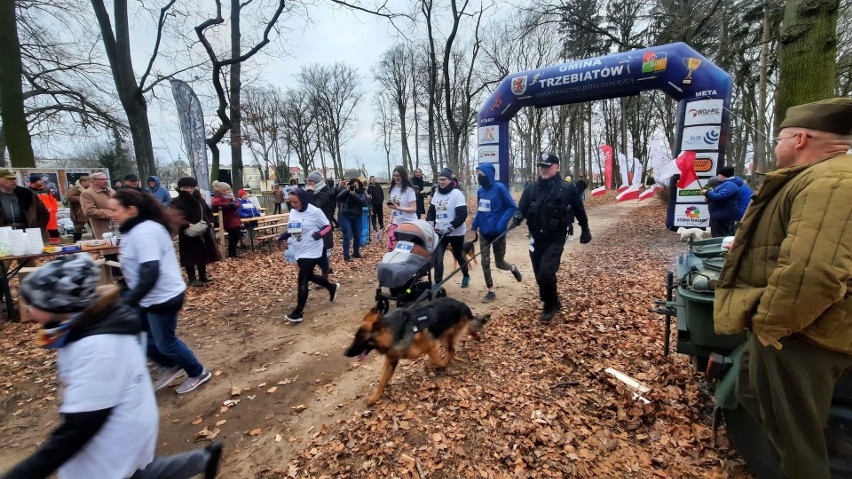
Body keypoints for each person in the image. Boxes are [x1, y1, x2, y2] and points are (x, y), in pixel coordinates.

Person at [714, 97, 852, 479]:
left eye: (780, 137)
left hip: (803, 338)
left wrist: (770, 324)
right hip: (794, 331)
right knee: (751, 393)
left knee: (798, 446)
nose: (776, 146)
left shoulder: (831, 183)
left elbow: (814, 271)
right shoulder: (819, 178)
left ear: (800, 138)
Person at [6, 254, 223, 479]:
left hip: (113, 440)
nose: (28, 308)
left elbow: (78, 430)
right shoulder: (85, 328)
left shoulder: (97, 347)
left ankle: (196, 376)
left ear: (58, 305)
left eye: (33, 302)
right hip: (120, 432)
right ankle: (203, 459)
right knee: (138, 473)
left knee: (129, 472)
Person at [108, 189, 212, 394]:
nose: (111, 214)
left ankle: (197, 371)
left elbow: (150, 271)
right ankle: (171, 363)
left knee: (165, 342)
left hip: (162, 297)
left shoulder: (145, 232)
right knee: (141, 336)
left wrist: (128, 301)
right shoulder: (134, 229)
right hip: (147, 297)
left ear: (131, 210)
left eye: (114, 209)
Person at [512, 153, 591, 322]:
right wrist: (518, 216)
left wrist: (585, 230)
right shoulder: (531, 188)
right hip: (535, 238)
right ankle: (554, 300)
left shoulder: (566, 188)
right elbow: (521, 208)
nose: (544, 169)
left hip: (555, 237)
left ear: (557, 167)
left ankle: (549, 305)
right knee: (539, 274)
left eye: (548, 166)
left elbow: (579, 210)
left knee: (546, 273)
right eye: (542, 166)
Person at [276, 188, 340, 323]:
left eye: (296, 202)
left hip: (313, 249)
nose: (293, 205)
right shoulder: (293, 212)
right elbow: (293, 228)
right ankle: (331, 286)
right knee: (309, 276)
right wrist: (282, 236)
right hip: (299, 248)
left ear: (303, 200)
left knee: (302, 278)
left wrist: (319, 234)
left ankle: (298, 312)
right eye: (291, 202)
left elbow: (328, 226)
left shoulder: (315, 211)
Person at [471, 163, 522, 302]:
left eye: (480, 174)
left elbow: (512, 206)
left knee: (500, 263)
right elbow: (480, 208)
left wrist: (502, 223)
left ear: (488, 174)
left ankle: (512, 267)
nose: (478, 177)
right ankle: (490, 290)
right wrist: (475, 223)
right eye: (477, 174)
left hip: (498, 232)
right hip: (484, 232)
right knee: (484, 261)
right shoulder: (480, 191)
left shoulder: (500, 188)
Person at [171, 177, 220, 287]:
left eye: (191, 187)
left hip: (202, 229)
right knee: (190, 256)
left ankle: (202, 275)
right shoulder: (176, 201)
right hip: (188, 232)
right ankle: (192, 278)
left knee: (202, 253)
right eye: (186, 188)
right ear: (181, 188)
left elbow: (208, 212)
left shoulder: (200, 199)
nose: (189, 190)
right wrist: (186, 224)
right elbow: (175, 216)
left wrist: (211, 222)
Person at [427, 168, 471, 288]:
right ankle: (437, 282)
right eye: (439, 179)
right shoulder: (436, 193)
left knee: (458, 255)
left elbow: (462, 214)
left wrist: (451, 226)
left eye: (444, 179)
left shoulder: (456, 193)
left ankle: (466, 275)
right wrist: (430, 221)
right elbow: (431, 211)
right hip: (439, 231)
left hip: (455, 232)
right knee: (438, 257)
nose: (441, 182)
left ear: (450, 180)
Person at [305, 171, 335, 280]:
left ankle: (325, 276)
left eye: (311, 181)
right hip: (310, 224)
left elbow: (314, 206)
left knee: (322, 250)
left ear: (317, 182)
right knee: (313, 250)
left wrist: (309, 192)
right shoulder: (308, 191)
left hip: (323, 225)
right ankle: (326, 267)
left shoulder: (324, 192)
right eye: (308, 181)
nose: (309, 183)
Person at [702, 166, 740, 237]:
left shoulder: (730, 185)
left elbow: (721, 196)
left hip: (723, 217)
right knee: (720, 236)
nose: (718, 176)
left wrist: (707, 193)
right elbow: (720, 198)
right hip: (720, 216)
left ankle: (723, 248)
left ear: (724, 175)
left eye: (719, 174)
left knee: (720, 237)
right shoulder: (725, 184)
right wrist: (709, 199)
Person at [386, 166, 418, 251]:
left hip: (409, 222)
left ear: (403, 176)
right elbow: (393, 209)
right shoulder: (393, 189)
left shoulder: (409, 191)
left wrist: (399, 208)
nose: (396, 178)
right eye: (395, 175)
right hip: (396, 222)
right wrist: (390, 222)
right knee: (391, 246)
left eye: (399, 175)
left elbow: (413, 209)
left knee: (405, 248)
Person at [337, 178, 368, 262]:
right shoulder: (346, 192)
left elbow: (363, 203)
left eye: (356, 185)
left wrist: (354, 194)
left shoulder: (362, 192)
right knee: (347, 235)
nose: (354, 187)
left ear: (359, 185)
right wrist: (346, 190)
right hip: (345, 216)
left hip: (357, 217)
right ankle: (346, 256)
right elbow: (338, 198)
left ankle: (356, 252)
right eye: (352, 185)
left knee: (357, 235)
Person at [80, 171, 116, 239]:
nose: (106, 181)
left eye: (106, 179)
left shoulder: (112, 191)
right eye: (102, 179)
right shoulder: (87, 194)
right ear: (94, 181)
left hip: (117, 226)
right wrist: (110, 213)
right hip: (102, 227)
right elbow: (89, 211)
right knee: (106, 247)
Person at [211, 181, 241, 258]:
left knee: (237, 236)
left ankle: (233, 251)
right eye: (227, 190)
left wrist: (233, 205)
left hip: (235, 219)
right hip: (228, 220)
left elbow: (238, 204)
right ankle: (231, 252)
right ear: (222, 191)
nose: (229, 191)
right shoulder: (219, 198)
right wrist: (228, 205)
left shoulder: (231, 197)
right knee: (233, 236)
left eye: (229, 189)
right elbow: (215, 203)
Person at [29, 175, 59, 243]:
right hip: (38, 216)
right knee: (41, 233)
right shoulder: (28, 191)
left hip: (50, 215)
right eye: (39, 180)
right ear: (33, 182)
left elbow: (53, 200)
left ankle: (56, 246)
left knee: (53, 232)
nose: (42, 181)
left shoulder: (47, 190)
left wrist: (54, 210)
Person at [66, 175, 90, 242]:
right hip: (79, 213)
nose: (90, 183)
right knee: (78, 229)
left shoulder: (89, 189)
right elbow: (69, 197)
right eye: (89, 182)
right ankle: (76, 242)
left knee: (95, 228)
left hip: (89, 212)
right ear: (83, 182)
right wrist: (81, 198)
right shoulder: (74, 189)